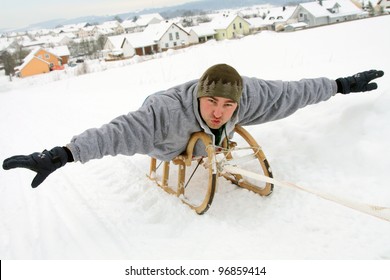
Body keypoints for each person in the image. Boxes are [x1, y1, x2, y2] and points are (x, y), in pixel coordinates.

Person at [2, 64, 384, 188]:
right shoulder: (163, 115)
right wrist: (62, 154)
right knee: (178, 142)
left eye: (227, 105)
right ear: (200, 96)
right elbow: (114, 132)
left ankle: (213, 147)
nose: (219, 112)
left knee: (225, 129)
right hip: (170, 140)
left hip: (205, 136)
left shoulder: (247, 96)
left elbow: (291, 93)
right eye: (212, 102)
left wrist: (339, 85)